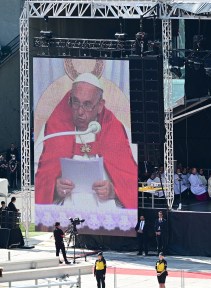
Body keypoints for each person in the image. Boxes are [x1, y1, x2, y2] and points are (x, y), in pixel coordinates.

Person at [35, 73, 137, 209]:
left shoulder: (119, 131)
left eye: (87, 104)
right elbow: (38, 173)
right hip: (66, 207)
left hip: (107, 209)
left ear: (100, 106)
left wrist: (114, 191)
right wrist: (54, 188)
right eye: (75, 102)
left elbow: (132, 178)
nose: (80, 112)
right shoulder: (53, 130)